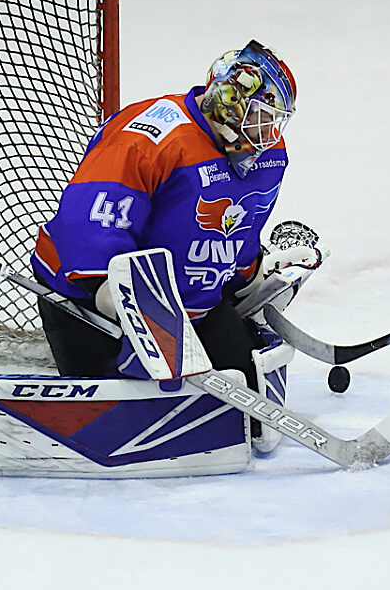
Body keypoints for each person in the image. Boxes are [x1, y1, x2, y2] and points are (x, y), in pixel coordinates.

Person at [30, 40, 316, 451]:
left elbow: (240, 225)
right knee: (129, 423)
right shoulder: (147, 138)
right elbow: (90, 218)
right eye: (259, 117)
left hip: (191, 308)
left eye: (275, 122)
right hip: (91, 302)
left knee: (246, 416)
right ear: (229, 99)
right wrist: (108, 289)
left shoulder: (267, 157)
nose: (267, 134)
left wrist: (250, 278)